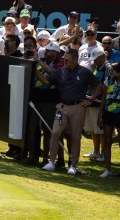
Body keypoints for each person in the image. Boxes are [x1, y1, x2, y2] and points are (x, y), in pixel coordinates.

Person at [36, 47, 104, 175]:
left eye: (67, 59)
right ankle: (51, 162)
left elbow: (99, 86)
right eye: (64, 59)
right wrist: (35, 70)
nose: (64, 61)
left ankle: (73, 165)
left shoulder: (84, 72)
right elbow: (45, 81)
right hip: (62, 107)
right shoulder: (60, 71)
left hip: (78, 107)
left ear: (75, 60)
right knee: (55, 132)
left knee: (75, 136)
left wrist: (90, 100)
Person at [99, 62, 120, 180]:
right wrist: (100, 115)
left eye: (117, 70)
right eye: (114, 70)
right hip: (108, 113)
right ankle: (107, 169)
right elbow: (103, 98)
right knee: (107, 142)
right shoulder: (108, 80)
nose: (114, 72)